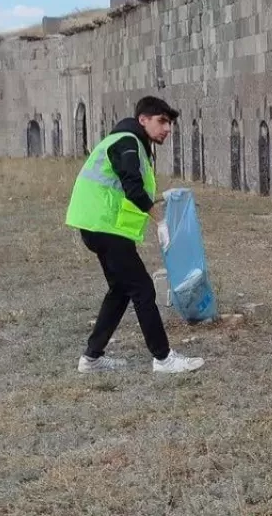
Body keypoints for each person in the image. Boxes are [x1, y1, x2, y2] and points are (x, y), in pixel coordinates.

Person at [65, 96, 204, 374]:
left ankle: (91, 358)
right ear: (143, 120)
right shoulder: (127, 142)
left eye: (170, 123)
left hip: (100, 225)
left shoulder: (130, 142)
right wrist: (159, 222)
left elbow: (125, 186)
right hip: (104, 226)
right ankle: (164, 359)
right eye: (162, 121)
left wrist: (163, 197)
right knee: (142, 288)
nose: (167, 129)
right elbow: (132, 187)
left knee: (120, 290)